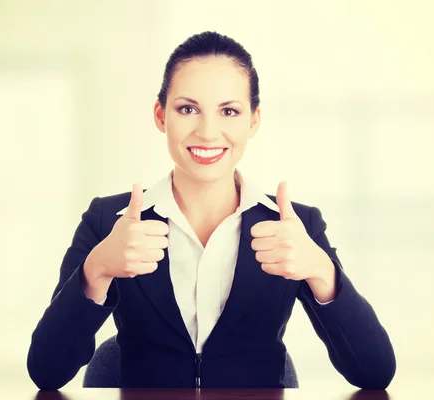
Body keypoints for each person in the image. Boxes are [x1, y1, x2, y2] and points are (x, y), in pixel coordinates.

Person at [27, 31, 396, 390]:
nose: (207, 132)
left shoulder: (294, 227)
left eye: (229, 111)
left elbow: (374, 373)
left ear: (253, 120)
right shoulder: (110, 221)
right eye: (188, 109)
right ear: (161, 115)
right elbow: (47, 372)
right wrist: (96, 270)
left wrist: (320, 270)